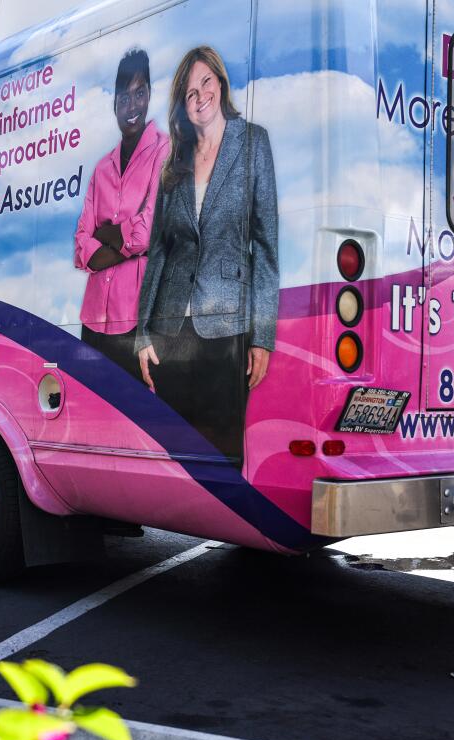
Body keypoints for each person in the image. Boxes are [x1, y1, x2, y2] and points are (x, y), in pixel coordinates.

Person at [135, 45, 278, 462]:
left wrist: (262, 337)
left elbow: (265, 246)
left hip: (227, 328)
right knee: (173, 454)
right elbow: (159, 249)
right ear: (182, 103)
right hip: (170, 332)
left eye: (206, 83)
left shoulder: (252, 143)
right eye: (189, 92)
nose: (200, 97)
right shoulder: (173, 162)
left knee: (223, 454)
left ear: (221, 82)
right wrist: (143, 332)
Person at [74, 48, 170, 378]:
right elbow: (79, 247)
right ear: (114, 103)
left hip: (134, 325)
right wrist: (130, 244)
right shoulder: (102, 169)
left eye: (139, 93)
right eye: (123, 97)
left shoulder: (164, 150)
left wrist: (106, 237)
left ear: (149, 96)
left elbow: (150, 231)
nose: (132, 106)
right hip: (92, 326)